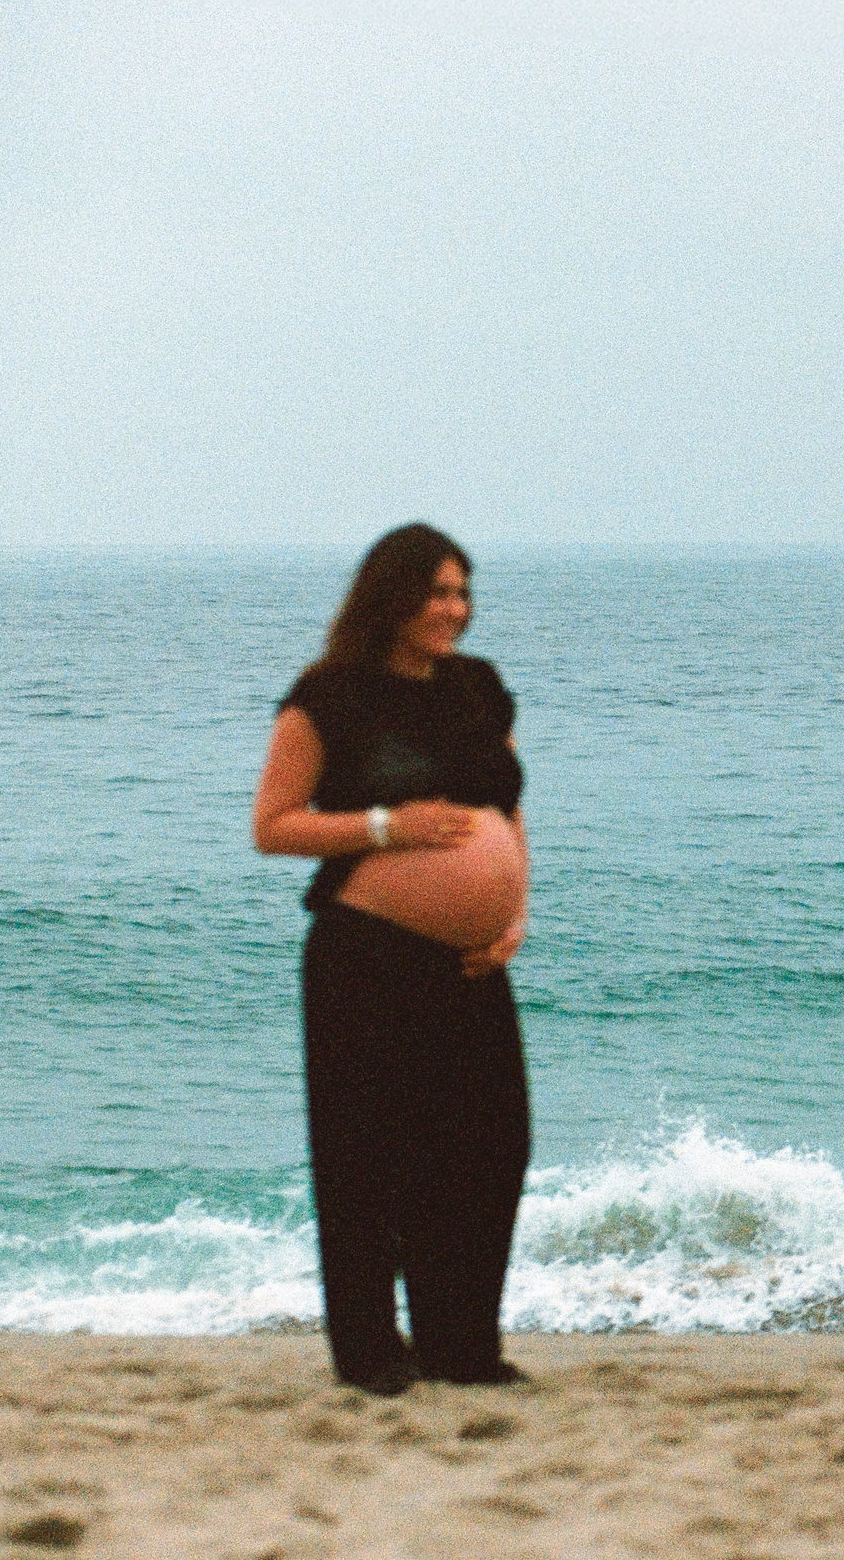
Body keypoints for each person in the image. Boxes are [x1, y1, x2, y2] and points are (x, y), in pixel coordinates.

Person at [252, 524, 532, 1395]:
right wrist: (388, 827)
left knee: (490, 1146)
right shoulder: (328, 696)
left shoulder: (479, 688)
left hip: (473, 965)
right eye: (437, 592)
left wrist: (513, 911)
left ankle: (461, 1346)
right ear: (392, 596)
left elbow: (510, 804)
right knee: (367, 1157)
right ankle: (372, 1352)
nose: (455, 609)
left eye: (463, 592)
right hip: (365, 959)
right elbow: (273, 825)